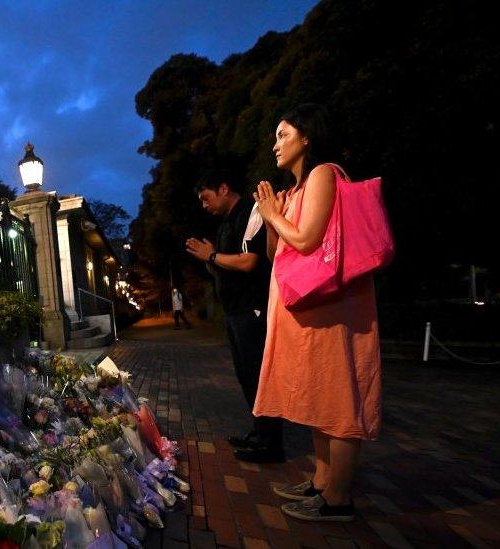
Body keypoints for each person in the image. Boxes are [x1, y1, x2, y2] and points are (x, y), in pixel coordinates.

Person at [252, 103, 381, 522]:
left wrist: (275, 215)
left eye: (283, 134)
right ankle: (321, 480)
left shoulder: (325, 173)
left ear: (307, 136)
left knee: (339, 397)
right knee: (317, 396)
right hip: (301, 307)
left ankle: (338, 499)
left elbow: (307, 241)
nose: (276, 144)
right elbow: (277, 252)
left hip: (328, 306)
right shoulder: (292, 191)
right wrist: (271, 218)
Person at [186, 170, 284, 462]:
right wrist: (212, 258)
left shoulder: (249, 213)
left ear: (224, 187)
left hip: (250, 308)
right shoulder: (226, 223)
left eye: (206, 198)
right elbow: (222, 263)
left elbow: (249, 262)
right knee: (246, 376)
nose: (205, 205)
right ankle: (260, 432)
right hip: (233, 311)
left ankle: (271, 444)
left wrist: (212, 257)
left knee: (257, 375)